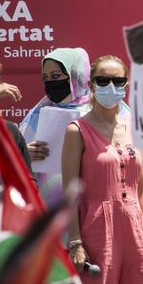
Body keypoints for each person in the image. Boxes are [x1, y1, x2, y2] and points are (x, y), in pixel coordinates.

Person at [62, 55, 143, 284]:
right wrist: (75, 242)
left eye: (117, 80)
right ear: (91, 84)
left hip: (135, 231)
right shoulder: (77, 130)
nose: (110, 87)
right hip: (97, 230)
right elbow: (69, 193)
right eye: (103, 80)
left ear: (126, 84)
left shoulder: (137, 128)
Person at [19, 48, 92, 205]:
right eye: (46, 77)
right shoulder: (37, 114)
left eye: (56, 76)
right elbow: (13, 163)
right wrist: (24, 154)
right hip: (49, 208)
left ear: (76, 75)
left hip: (93, 205)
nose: (50, 82)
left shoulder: (100, 112)